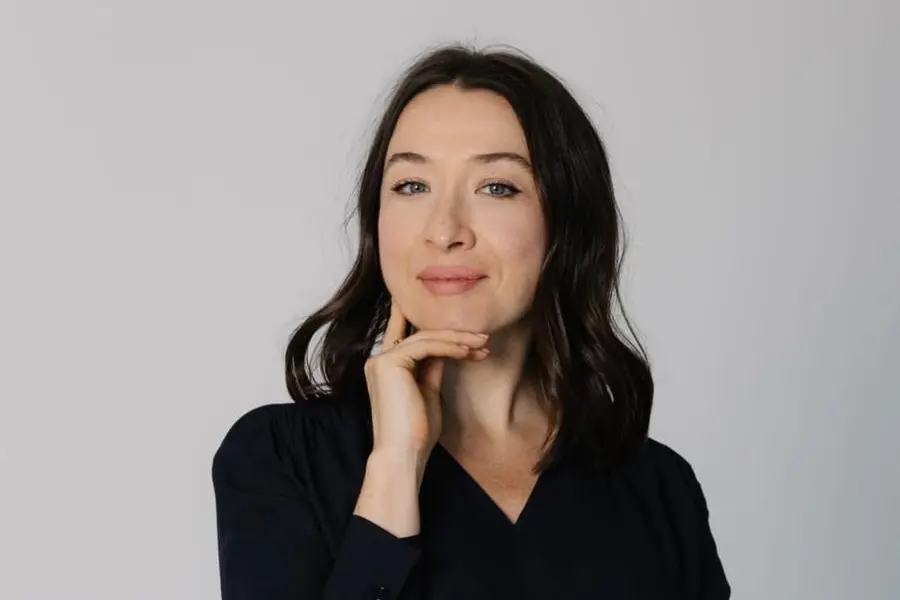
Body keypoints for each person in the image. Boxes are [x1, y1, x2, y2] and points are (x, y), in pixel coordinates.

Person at [211, 44, 730, 599]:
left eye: (496, 187)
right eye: (411, 186)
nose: (445, 230)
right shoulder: (281, 458)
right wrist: (395, 467)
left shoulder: (657, 487)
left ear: (567, 222)